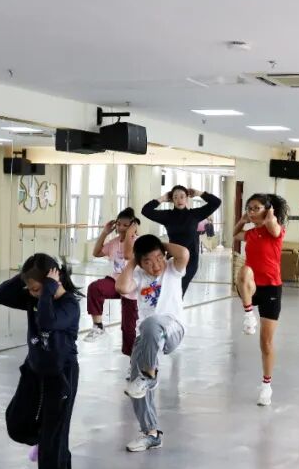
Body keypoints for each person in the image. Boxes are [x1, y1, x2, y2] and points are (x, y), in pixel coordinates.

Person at [0, 253, 81, 469]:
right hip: (33, 371)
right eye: (29, 289)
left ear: (53, 282)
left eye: (36, 289)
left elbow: (47, 321)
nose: (31, 294)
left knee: (55, 440)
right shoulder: (36, 298)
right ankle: (40, 440)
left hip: (60, 376)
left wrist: (49, 289)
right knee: (16, 423)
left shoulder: (69, 305)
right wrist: (26, 276)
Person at [117, 234, 190, 452]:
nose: (156, 265)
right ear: (140, 263)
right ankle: (151, 433)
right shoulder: (138, 275)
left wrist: (158, 245)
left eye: (159, 258)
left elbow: (184, 253)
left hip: (172, 328)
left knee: (152, 323)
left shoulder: (172, 269)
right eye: (148, 261)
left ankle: (149, 375)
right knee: (135, 384)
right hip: (147, 337)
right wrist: (134, 259)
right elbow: (122, 287)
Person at [234, 193, 288, 406]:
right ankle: (249, 316)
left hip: (272, 288)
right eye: (249, 208)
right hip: (252, 287)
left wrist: (270, 215)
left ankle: (266, 386)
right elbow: (234, 234)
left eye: (256, 208)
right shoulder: (250, 233)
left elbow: (273, 226)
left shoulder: (276, 230)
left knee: (266, 343)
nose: (251, 211)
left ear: (267, 210)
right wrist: (242, 220)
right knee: (244, 271)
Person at [140, 185, 221, 295]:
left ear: (187, 198)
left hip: (191, 260)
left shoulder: (195, 214)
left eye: (182, 196)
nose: (179, 200)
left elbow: (216, 202)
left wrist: (199, 193)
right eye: (175, 197)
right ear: (172, 200)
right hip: (174, 259)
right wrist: (163, 198)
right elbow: (146, 211)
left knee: (179, 290)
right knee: (171, 290)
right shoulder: (167, 216)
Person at [84, 208, 140, 355]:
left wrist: (130, 234)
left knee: (128, 328)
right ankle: (98, 326)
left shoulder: (138, 241)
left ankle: (132, 358)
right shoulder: (114, 242)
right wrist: (104, 233)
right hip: (115, 281)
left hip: (131, 287)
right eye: (119, 224)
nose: (121, 228)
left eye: (126, 225)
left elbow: (128, 255)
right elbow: (96, 253)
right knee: (95, 288)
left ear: (133, 226)